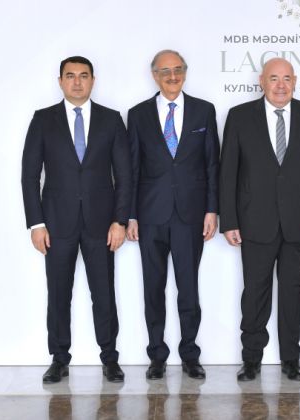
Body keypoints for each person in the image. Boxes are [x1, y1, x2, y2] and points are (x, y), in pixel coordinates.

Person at [21, 56, 131, 383]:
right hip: (56, 224)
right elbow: (29, 176)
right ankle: (59, 359)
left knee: (104, 293)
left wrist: (120, 220)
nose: (77, 82)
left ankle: (109, 358)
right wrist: (36, 224)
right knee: (58, 293)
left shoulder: (111, 120)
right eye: (70, 76)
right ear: (60, 81)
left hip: (102, 224)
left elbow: (124, 176)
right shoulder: (43, 120)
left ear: (93, 80)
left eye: (84, 76)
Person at [219, 57, 300, 382]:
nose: (280, 85)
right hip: (254, 222)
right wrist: (229, 221)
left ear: (295, 82)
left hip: (298, 224)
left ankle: (291, 360)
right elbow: (228, 173)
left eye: (286, 79)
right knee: (255, 293)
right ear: (262, 82)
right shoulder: (240, 116)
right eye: (274, 79)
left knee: (293, 293)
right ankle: (251, 359)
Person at [126, 50, 220, 380]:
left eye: (178, 69)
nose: (172, 76)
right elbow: (131, 169)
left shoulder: (204, 111)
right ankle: (157, 355)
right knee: (153, 288)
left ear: (185, 72)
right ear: (154, 75)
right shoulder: (137, 115)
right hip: (150, 215)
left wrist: (212, 209)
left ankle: (190, 354)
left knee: (188, 288)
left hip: (190, 215)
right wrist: (131, 216)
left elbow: (212, 164)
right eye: (165, 71)